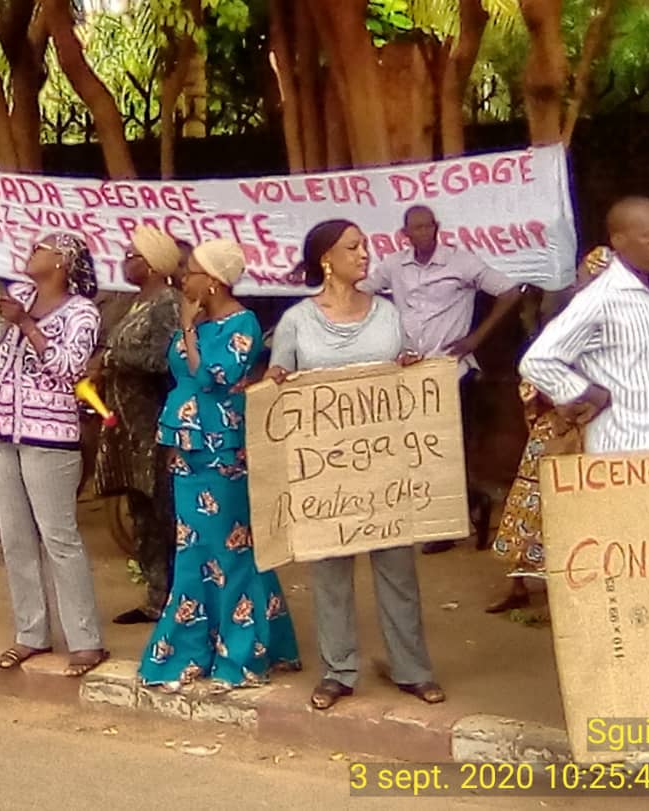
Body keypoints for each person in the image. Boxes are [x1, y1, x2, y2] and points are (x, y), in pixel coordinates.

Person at [265, 220, 443, 707]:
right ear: (326, 258)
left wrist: (410, 366)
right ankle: (338, 671)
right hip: (325, 473)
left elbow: (406, 367)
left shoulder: (386, 312)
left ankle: (412, 668)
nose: (365, 254)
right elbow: (279, 384)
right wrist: (277, 380)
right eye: (353, 247)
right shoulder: (298, 321)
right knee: (330, 572)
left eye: (365, 244)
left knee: (398, 570)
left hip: (384, 468)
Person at [137, 238, 300, 690]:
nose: (182, 279)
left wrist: (188, 330)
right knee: (194, 552)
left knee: (231, 551)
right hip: (187, 448)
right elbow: (182, 376)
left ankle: (242, 656)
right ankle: (193, 652)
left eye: (190, 272)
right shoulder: (201, 320)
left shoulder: (242, 322)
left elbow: (214, 376)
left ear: (212, 280)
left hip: (224, 451)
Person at [488, 244, 649, 615]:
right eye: (584, 279)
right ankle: (518, 584)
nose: (586, 285)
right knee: (533, 503)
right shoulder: (573, 319)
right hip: (558, 431)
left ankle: (593, 594)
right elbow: (536, 374)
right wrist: (561, 403)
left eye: (592, 278)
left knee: (598, 517)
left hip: (606, 437)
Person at [0, 232, 108, 678]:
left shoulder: (82, 312)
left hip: (49, 435)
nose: (30, 253)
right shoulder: (18, 295)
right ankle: (31, 633)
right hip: (0, 429)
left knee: (59, 538)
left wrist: (27, 326)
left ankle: (85, 639)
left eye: (41, 249)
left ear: (62, 262)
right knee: (15, 537)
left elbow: (69, 368)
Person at [360, 205, 522, 554]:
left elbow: (510, 292)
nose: (421, 233)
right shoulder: (393, 266)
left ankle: (452, 521)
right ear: (405, 234)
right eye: (414, 228)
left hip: (451, 370)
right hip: (410, 372)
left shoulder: (461, 262)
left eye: (426, 226)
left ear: (437, 228)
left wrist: (476, 339)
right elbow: (362, 292)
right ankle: (466, 504)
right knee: (420, 447)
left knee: (447, 447)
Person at [520, 197, 649, 456]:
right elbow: (537, 360)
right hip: (622, 451)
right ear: (619, 241)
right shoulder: (600, 297)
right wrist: (586, 393)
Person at [92, 226, 180, 624]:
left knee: (166, 514)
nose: (126, 261)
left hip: (156, 424)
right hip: (126, 426)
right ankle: (154, 597)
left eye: (134, 256)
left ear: (155, 265)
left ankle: (178, 601)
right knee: (141, 515)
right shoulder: (131, 304)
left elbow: (166, 361)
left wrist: (112, 361)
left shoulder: (167, 305)